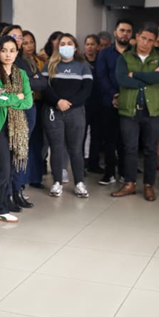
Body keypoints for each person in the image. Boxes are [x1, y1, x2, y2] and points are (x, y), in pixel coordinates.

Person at [112, 22, 159, 200]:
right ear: (137, 37)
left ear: (155, 41)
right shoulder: (125, 57)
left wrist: (135, 74)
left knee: (151, 149)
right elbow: (122, 80)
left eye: (150, 40)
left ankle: (148, 185)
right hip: (129, 110)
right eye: (143, 38)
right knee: (130, 148)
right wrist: (148, 79)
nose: (146, 43)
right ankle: (129, 184)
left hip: (153, 110)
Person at [0, 35, 33, 224]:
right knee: (3, 170)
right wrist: (16, 97)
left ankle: (2, 208)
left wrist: (11, 99)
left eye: (12, 50)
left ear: (17, 52)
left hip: (17, 128)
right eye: (4, 50)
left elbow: (28, 102)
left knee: (10, 170)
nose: (8, 54)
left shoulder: (22, 74)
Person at [41, 33, 92, 197]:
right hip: (53, 112)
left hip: (76, 112)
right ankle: (57, 182)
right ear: (57, 47)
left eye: (69, 43)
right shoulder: (49, 65)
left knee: (75, 149)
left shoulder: (83, 66)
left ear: (75, 47)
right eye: (62, 44)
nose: (66, 46)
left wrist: (69, 103)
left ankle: (79, 183)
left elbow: (86, 90)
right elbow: (44, 88)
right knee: (56, 148)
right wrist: (57, 102)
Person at [94, 19, 133, 185]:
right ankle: (109, 173)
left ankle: (125, 173)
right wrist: (114, 95)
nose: (125, 34)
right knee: (109, 139)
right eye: (122, 30)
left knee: (127, 140)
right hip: (109, 102)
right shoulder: (104, 53)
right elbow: (101, 76)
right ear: (115, 32)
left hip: (130, 102)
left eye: (128, 31)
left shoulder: (135, 53)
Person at [22, 30, 48, 191]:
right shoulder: (19, 61)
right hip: (25, 104)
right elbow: (28, 82)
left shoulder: (40, 60)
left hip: (39, 103)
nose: (29, 45)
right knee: (25, 142)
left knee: (38, 142)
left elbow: (42, 83)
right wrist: (34, 80)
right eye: (25, 43)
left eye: (31, 42)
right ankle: (23, 178)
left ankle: (36, 177)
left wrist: (34, 80)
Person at [82, 34, 103, 174]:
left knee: (97, 135)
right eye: (87, 44)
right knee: (81, 135)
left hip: (99, 103)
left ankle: (93, 163)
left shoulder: (101, 61)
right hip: (83, 103)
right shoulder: (80, 61)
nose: (90, 47)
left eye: (92, 44)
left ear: (98, 47)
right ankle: (81, 164)